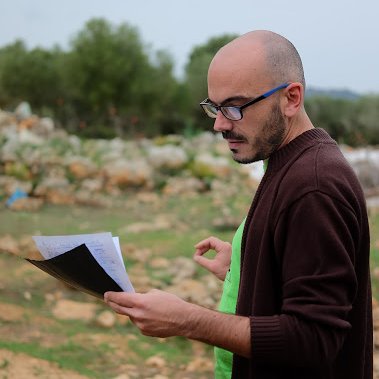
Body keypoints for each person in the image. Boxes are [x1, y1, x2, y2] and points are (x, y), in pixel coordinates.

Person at [104, 30, 373, 379]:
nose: (219, 124)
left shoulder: (315, 187)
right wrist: (250, 267)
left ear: (291, 98)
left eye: (235, 107)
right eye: (214, 107)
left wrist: (188, 320)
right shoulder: (288, 164)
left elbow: (314, 340)